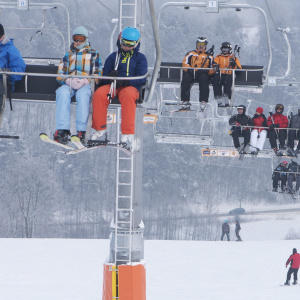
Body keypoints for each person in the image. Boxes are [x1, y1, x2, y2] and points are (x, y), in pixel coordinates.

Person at [91, 27, 147, 150]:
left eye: (130, 44)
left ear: (136, 44)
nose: (126, 46)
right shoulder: (113, 57)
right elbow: (105, 75)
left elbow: (141, 77)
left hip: (130, 87)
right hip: (114, 85)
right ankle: (99, 128)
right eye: (123, 43)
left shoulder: (140, 58)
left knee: (127, 95)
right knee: (99, 94)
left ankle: (127, 133)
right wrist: (110, 77)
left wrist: (126, 81)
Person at [54, 26, 102, 144]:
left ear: (86, 39)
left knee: (82, 95)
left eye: (81, 39)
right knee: (62, 92)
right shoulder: (68, 55)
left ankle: (82, 130)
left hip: (86, 84)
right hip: (71, 81)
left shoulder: (94, 54)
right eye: (76, 38)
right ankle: (62, 129)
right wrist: (67, 81)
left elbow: (98, 74)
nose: (78, 42)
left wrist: (87, 80)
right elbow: (60, 73)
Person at [180, 37, 214, 110]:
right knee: (186, 80)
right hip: (192, 72)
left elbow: (212, 68)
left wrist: (206, 71)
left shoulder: (209, 56)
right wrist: (189, 69)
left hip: (202, 73)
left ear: (205, 45)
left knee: (204, 81)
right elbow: (184, 63)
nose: (201, 46)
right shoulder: (191, 53)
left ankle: (203, 100)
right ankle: (185, 100)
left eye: (202, 44)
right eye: (199, 44)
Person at [0, 23, 26, 117]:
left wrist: (6, 72)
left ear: (3, 36)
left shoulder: (10, 49)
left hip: (3, 81)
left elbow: (20, 69)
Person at [212, 42, 242, 107]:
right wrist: (215, 66)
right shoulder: (218, 57)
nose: (225, 52)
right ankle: (218, 96)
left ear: (230, 50)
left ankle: (227, 96)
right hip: (220, 74)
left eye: (226, 50)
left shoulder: (234, 58)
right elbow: (215, 63)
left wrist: (234, 64)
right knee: (216, 80)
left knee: (227, 80)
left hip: (228, 74)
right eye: (223, 50)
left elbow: (239, 69)